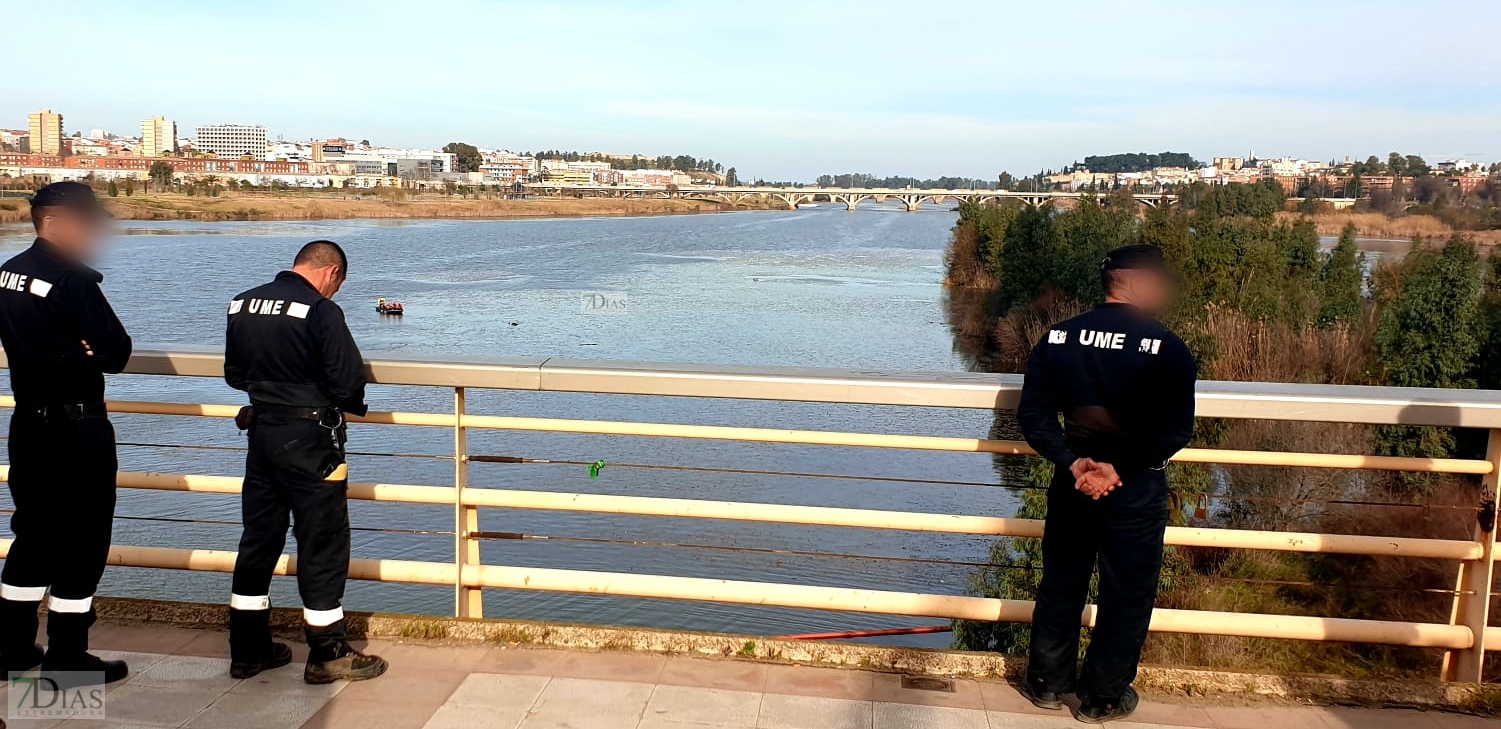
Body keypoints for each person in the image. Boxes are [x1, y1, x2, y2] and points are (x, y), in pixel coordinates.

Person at [1015, 244, 1196, 724]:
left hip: (1072, 482)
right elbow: (1175, 430)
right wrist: (1118, 470)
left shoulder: (1058, 338)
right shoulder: (1168, 347)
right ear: (1137, 282)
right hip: (1134, 489)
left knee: (1061, 582)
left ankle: (1047, 683)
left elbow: (1034, 415)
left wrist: (1073, 463)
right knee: (1127, 594)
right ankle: (1103, 698)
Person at [223, 240, 387, 684]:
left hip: (262, 436)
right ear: (331, 273)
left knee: (258, 539)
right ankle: (328, 649)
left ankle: (248, 647)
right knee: (322, 542)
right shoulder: (321, 310)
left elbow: (234, 375)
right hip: (313, 443)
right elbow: (348, 381)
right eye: (338, 285)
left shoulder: (242, 304)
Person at [0, 181, 132, 685]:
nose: (95, 231)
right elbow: (117, 351)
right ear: (54, 223)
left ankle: (11, 646)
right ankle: (67, 660)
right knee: (83, 539)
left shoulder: (9, 273)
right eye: (87, 221)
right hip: (76, 429)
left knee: (32, 534)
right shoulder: (73, 281)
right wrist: (86, 350)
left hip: (27, 423)